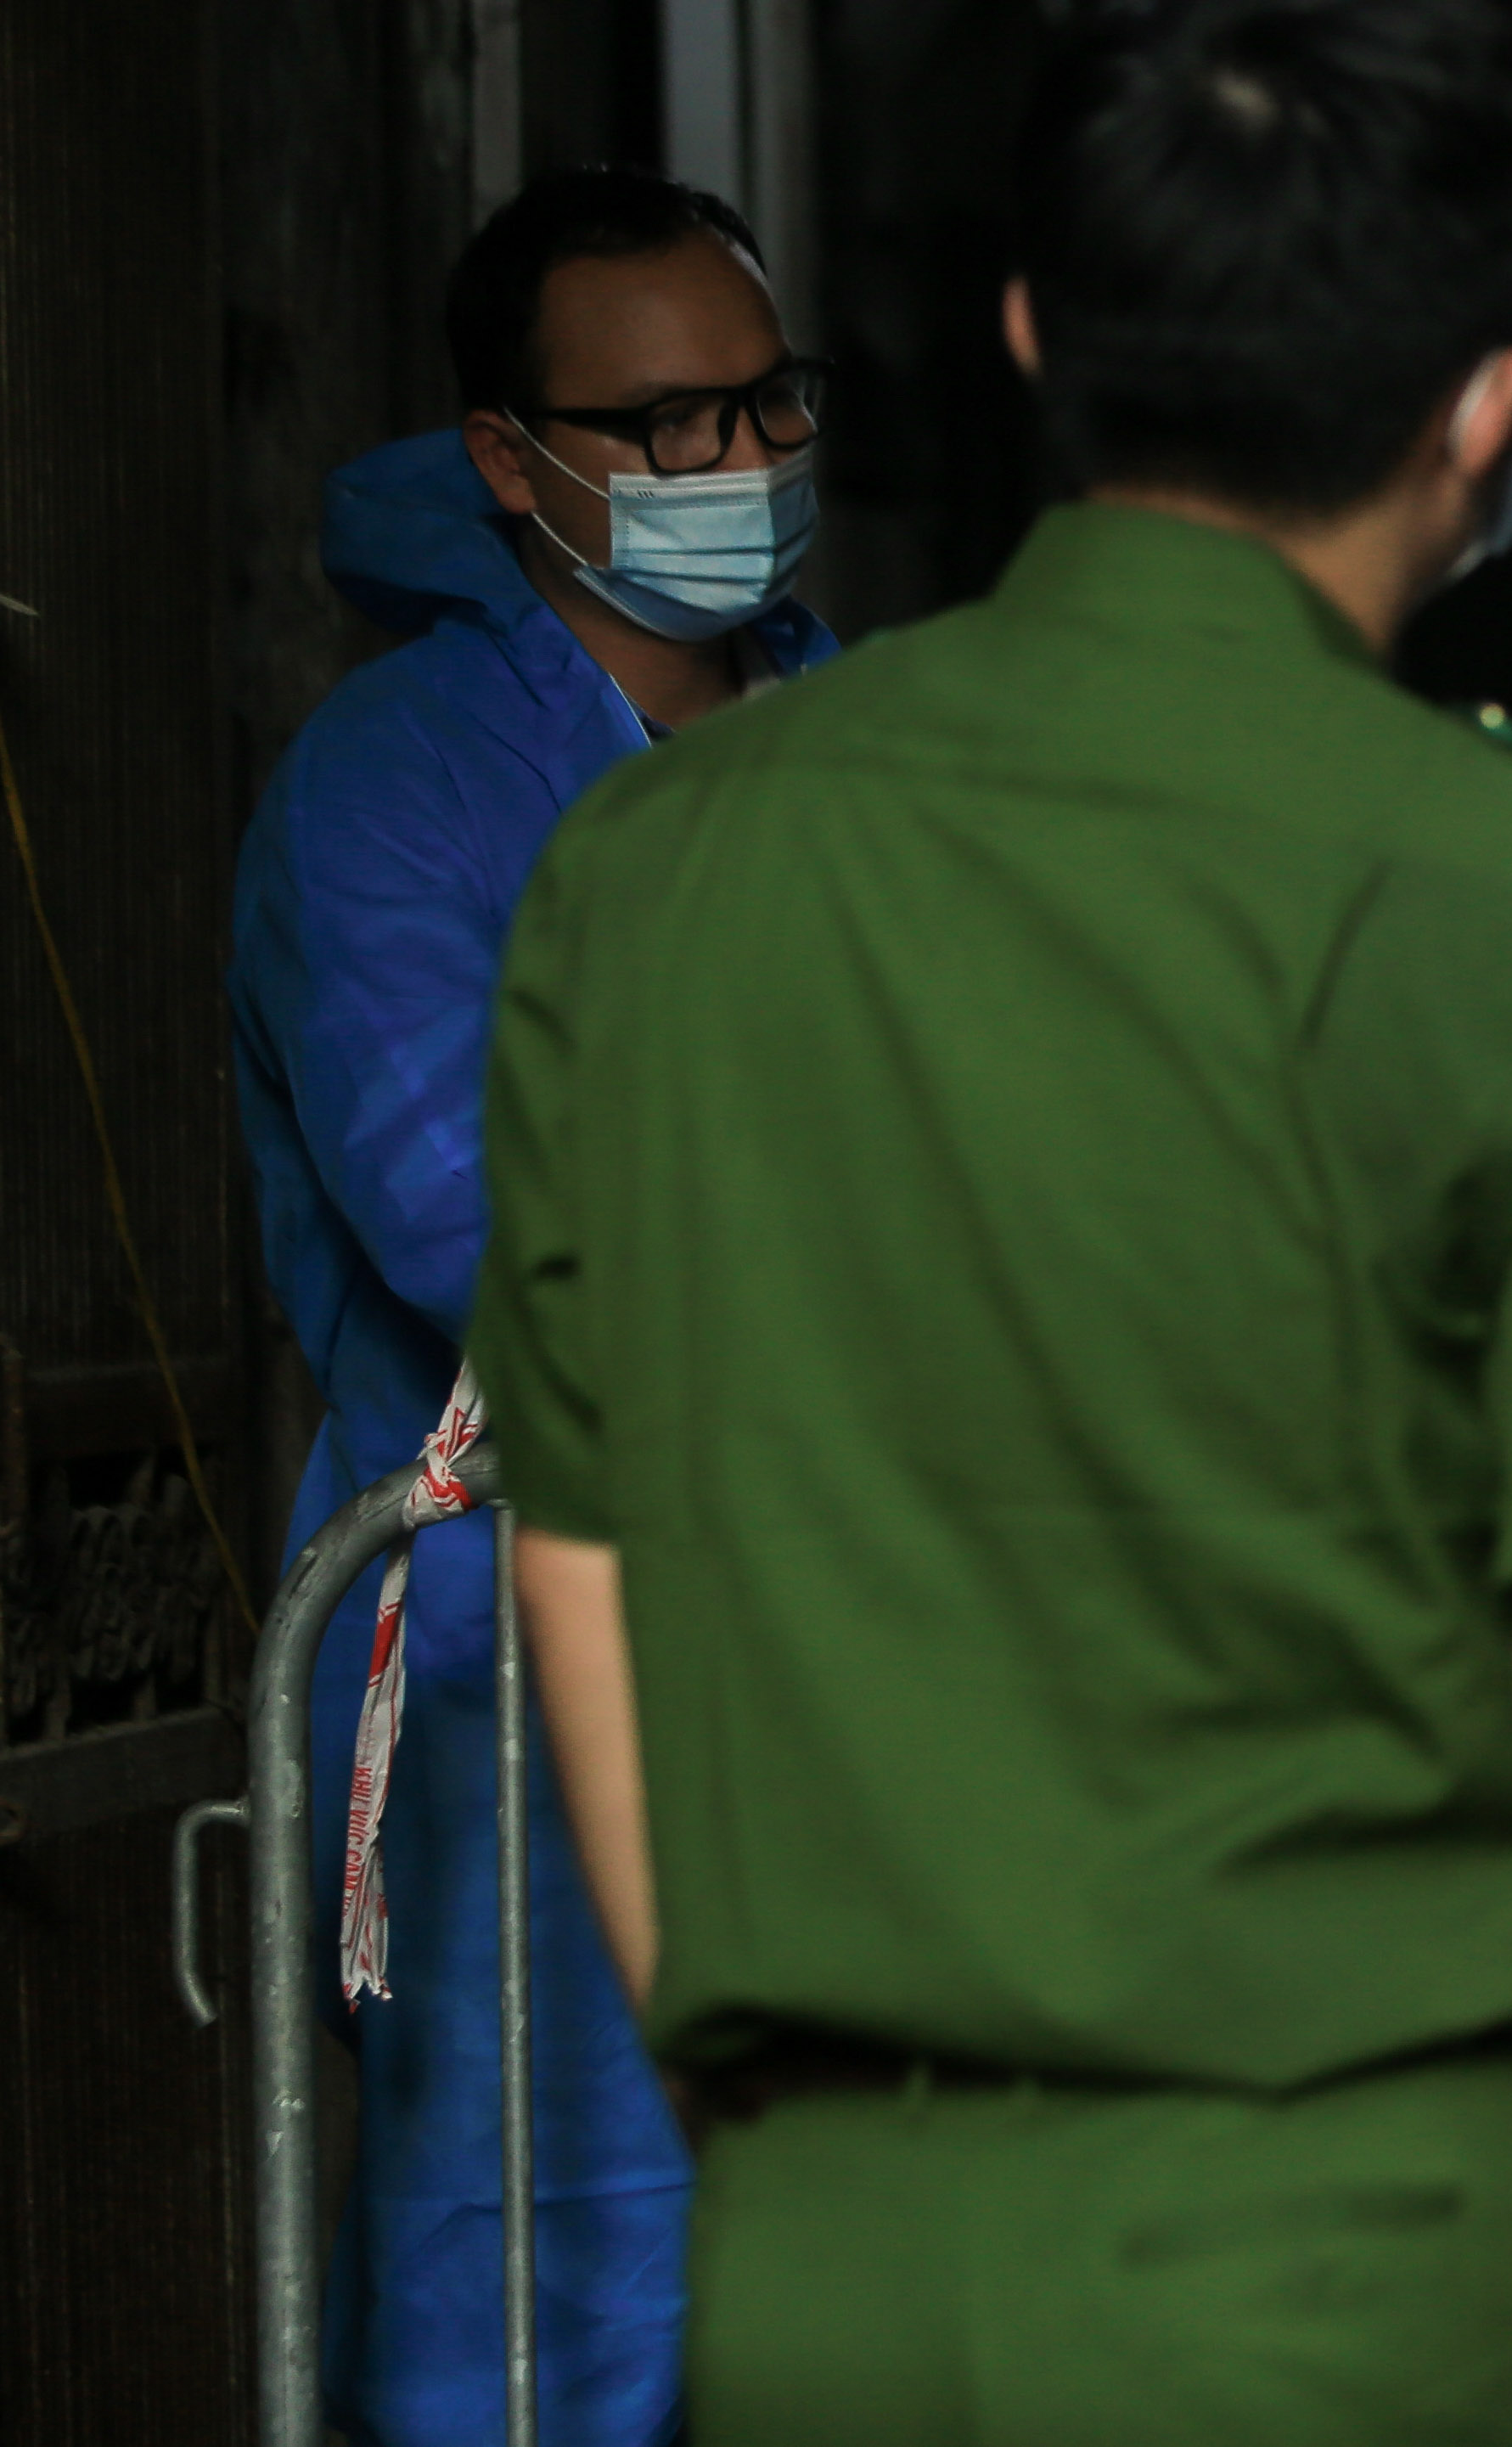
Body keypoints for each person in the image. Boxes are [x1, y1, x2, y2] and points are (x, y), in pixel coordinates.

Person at [469, 6, 1512, 2444]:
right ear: (1486, 413)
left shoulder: (649, 870)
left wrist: (780, 2142)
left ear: (1038, 338)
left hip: (831, 2271)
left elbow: (581, 1571)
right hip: (1349, 2266)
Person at [230, 166, 835, 2447]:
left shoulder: (873, 748)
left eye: (765, 404)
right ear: (510, 461)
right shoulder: (391, 789)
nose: (732, 465)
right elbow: (470, 1212)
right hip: (517, 1686)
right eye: (664, 425)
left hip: (888, 1659)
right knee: (547, 2331)